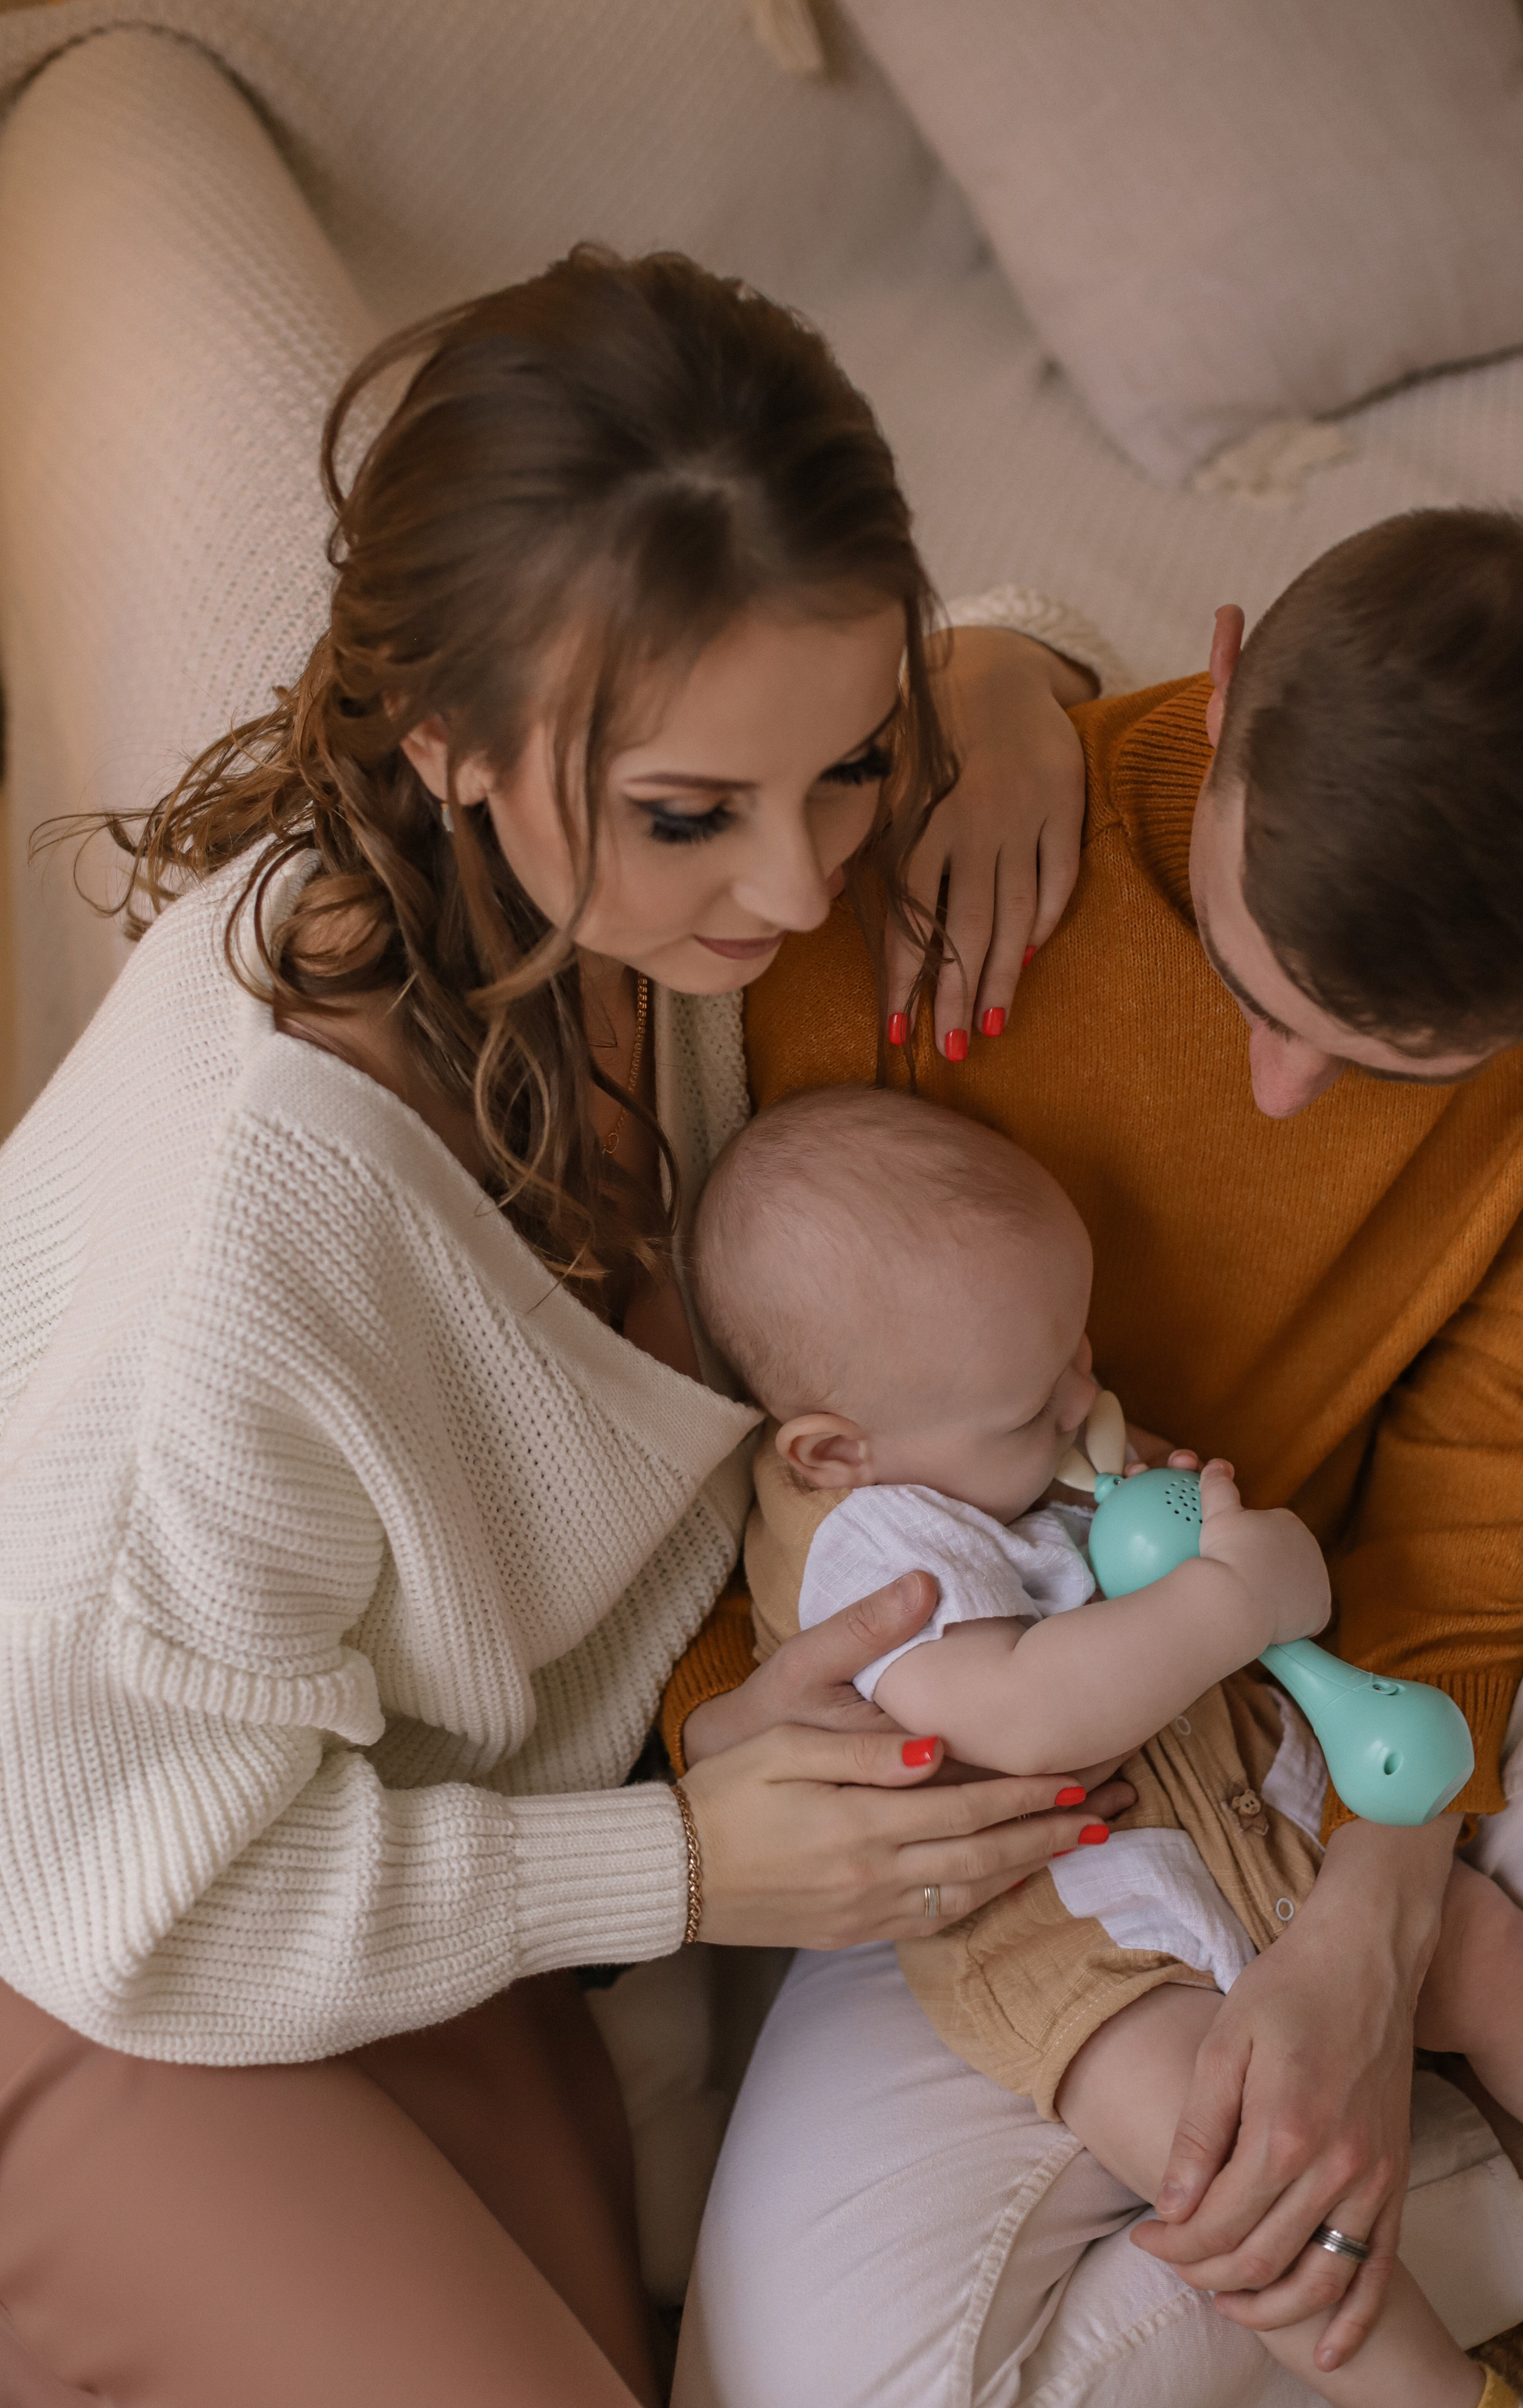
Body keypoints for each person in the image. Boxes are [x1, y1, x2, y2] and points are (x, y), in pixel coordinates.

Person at [0, 246, 1123, 2408]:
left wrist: (1001, 678)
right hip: (93, 1918)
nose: (799, 891)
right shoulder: (267, 1237)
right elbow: (107, 1870)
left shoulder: (636, 931)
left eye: (852, 768)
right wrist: (683, 1865)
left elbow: (993, 633)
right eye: (692, 815)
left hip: (385, 1863)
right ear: (447, 745)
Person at [671, 508, 1523, 2408]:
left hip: (1352, 1708)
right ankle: (1489, 2189)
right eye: (1264, 1002)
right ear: (1231, 666)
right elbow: (729, 1456)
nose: (1282, 1096)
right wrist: (738, 1747)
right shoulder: (938, 882)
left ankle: (1412, 2132)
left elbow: (1495, 1475)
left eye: (1394, 1063)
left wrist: (1374, 1903)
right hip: (1011, 1837)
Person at [690, 1080, 1523, 2408]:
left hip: (1261, 1818)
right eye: (1033, 1406)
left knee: (1497, 1963)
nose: (1085, 1398)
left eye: (1079, 1350)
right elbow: (1024, 1710)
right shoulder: (865, 1544)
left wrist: (1187, 1519)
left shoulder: (982, 1419)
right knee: (1249, 2185)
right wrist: (1228, 1599)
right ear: (835, 1449)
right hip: (1088, 1952)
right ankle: (1442, 2396)